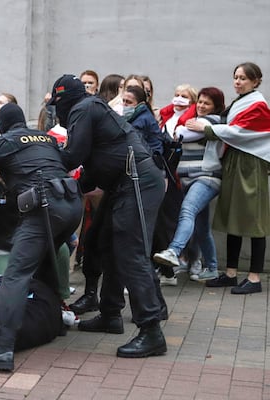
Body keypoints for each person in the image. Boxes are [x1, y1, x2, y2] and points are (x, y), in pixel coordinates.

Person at [49, 74, 166, 358]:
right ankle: (110, 314)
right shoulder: (89, 109)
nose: (56, 111)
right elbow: (91, 170)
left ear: (63, 100)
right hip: (124, 182)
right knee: (102, 242)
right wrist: (72, 186)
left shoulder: (83, 108)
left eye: (57, 104)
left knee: (131, 252)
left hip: (135, 180)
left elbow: (74, 155)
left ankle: (151, 330)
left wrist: (42, 149)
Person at [0, 102, 83, 370]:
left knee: (16, 275)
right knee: (46, 263)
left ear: (1, 125)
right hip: (72, 203)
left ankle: (3, 349)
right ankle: (53, 319)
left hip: (43, 205)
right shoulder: (46, 139)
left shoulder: (4, 141)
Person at [185, 62, 270, 294]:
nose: (237, 82)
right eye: (235, 77)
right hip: (235, 163)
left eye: (243, 78)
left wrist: (207, 129)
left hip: (251, 165)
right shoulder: (241, 102)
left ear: (256, 81)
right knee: (234, 216)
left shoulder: (258, 104)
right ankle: (231, 273)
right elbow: (233, 129)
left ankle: (254, 278)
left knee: (254, 221)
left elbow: (241, 132)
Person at [154, 87, 226, 282]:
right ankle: (211, 267)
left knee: (187, 210)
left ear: (216, 107)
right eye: (200, 102)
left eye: (207, 103)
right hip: (188, 179)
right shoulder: (196, 121)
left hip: (206, 178)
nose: (201, 106)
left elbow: (183, 132)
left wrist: (183, 127)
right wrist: (182, 127)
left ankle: (174, 251)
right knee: (201, 227)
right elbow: (181, 130)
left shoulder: (213, 121)